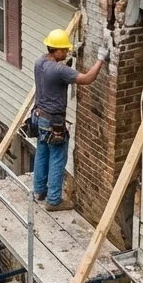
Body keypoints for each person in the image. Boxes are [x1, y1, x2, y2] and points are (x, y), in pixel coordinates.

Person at [33, 29, 107, 210]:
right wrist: (100, 60)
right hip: (54, 122)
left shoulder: (40, 62)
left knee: (42, 153)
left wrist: (70, 55)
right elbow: (87, 78)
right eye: (64, 50)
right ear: (56, 50)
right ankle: (54, 201)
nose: (66, 52)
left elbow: (58, 68)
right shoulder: (60, 71)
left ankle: (39, 191)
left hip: (40, 118)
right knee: (57, 158)